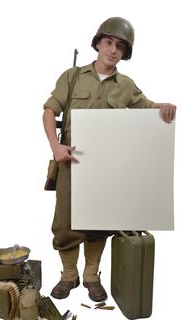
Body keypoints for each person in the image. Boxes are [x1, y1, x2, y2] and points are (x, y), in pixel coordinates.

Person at [42, 17, 176, 302]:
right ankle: (69, 275)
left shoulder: (126, 86)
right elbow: (49, 110)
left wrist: (163, 107)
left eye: (120, 46)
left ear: (125, 53)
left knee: (99, 223)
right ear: (98, 43)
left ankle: (91, 275)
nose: (113, 50)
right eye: (109, 42)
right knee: (65, 224)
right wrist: (55, 146)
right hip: (71, 163)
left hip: (105, 170)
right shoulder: (73, 76)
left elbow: (148, 110)